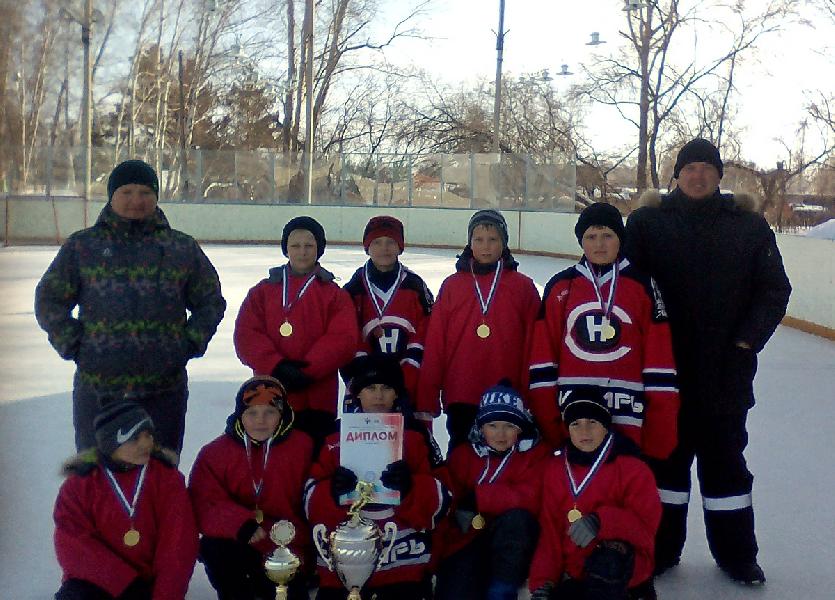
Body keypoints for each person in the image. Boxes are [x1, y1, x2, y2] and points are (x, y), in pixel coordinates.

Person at [624, 138, 792, 585]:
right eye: (689, 168)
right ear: (675, 175)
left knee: (726, 469)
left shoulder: (749, 227)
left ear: (719, 176)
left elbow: (775, 290)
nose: (698, 175)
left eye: (707, 168)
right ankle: (659, 549)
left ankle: (738, 555)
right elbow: (625, 294)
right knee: (665, 468)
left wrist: (745, 344)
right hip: (663, 375)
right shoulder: (646, 224)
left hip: (725, 375)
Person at [35, 159, 226, 454]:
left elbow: (210, 301)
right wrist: (76, 345)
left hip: (163, 391)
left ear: (156, 197)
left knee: (159, 479)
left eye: (145, 192)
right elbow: (49, 299)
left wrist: (186, 344)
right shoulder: (83, 247)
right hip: (99, 390)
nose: (136, 200)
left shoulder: (180, 248)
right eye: (127, 191)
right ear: (112, 195)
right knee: (96, 480)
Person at [527, 202, 679, 458]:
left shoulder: (642, 286)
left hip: (628, 413)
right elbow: (543, 359)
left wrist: (660, 428)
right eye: (591, 237)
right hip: (574, 417)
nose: (599, 244)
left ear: (620, 239)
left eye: (607, 235)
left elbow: (659, 358)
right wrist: (550, 421)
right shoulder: (561, 286)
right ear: (581, 241)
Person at [305, 354, 450, 600]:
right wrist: (332, 492)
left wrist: (411, 488)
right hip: (342, 566)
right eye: (370, 388)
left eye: (387, 388)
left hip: (404, 565)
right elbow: (309, 503)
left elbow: (443, 503)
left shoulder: (415, 436)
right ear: (357, 394)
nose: (379, 395)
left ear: (397, 394)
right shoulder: (334, 437)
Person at [416, 209, 541, 449]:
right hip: (462, 391)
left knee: (504, 460)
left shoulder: (523, 287)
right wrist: (427, 395)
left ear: (504, 243)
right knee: (461, 456)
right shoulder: (452, 286)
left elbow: (532, 346)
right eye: (479, 240)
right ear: (469, 242)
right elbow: (436, 344)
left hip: (507, 394)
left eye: (493, 240)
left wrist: (529, 395)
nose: (486, 247)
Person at [233, 216, 357, 451]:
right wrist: (276, 366)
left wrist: (308, 371)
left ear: (319, 249)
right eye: (295, 246)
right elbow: (247, 335)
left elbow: (343, 338)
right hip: (270, 393)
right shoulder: (262, 291)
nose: (302, 252)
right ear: (285, 249)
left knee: (314, 459)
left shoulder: (334, 294)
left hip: (317, 395)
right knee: (276, 460)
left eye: (309, 246)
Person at [53, 400, 198, 600]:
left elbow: (178, 544)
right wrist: (124, 583)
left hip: (149, 584)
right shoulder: (80, 484)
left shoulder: (167, 479)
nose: (145, 444)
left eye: (148, 435)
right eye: (134, 438)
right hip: (96, 580)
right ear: (110, 443)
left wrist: (165, 595)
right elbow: (73, 546)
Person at [528, 388, 660, 600]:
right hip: (578, 571)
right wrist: (543, 582)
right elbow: (550, 531)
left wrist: (602, 521)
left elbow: (645, 528)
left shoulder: (633, 468)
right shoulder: (555, 469)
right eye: (575, 424)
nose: (584, 432)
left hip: (620, 567)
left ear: (606, 427)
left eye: (592, 422)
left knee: (608, 562)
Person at [189, 376, 313, 600]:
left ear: (282, 414)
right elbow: (204, 500)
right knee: (213, 546)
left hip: (290, 545)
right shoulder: (215, 453)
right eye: (252, 413)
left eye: (270, 412)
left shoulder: (304, 447)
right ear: (240, 415)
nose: (260, 420)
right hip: (243, 541)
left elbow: (315, 496)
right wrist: (238, 523)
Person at [435, 382, 550, 600]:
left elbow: (532, 496)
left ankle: (502, 591)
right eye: (493, 425)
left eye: (509, 426)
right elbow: (448, 496)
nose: (500, 434)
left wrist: (478, 498)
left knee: (518, 520)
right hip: (468, 537)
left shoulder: (535, 454)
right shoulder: (463, 455)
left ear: (520, 428)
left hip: (513, 540)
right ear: (481, 428)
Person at [343, 216, 434, 399]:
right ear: (367, 247)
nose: (384, 248)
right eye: (377, 242)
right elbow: (346, 337)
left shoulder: (415, 287)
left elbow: (426, 332)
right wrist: (363, 378)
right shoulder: (353, 290)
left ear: (400, 247)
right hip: (367, 389)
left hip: (410, 385)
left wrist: (409, 374)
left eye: (390, 242)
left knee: (410, 428)